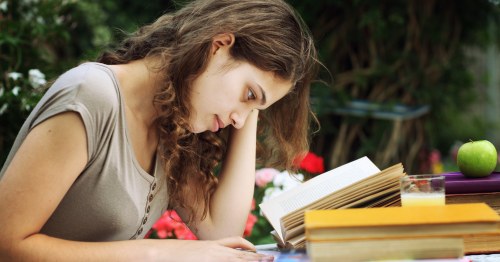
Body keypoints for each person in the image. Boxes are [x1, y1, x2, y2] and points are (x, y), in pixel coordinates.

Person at [0, 0, 318, 261]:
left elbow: (222, 231)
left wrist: (251, 108)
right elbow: (7, 244)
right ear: (218, 46)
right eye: (249, 94)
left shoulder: (172, 129)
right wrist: (158, 252)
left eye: (255, 109)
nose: (240, 120)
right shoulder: (92, 95)